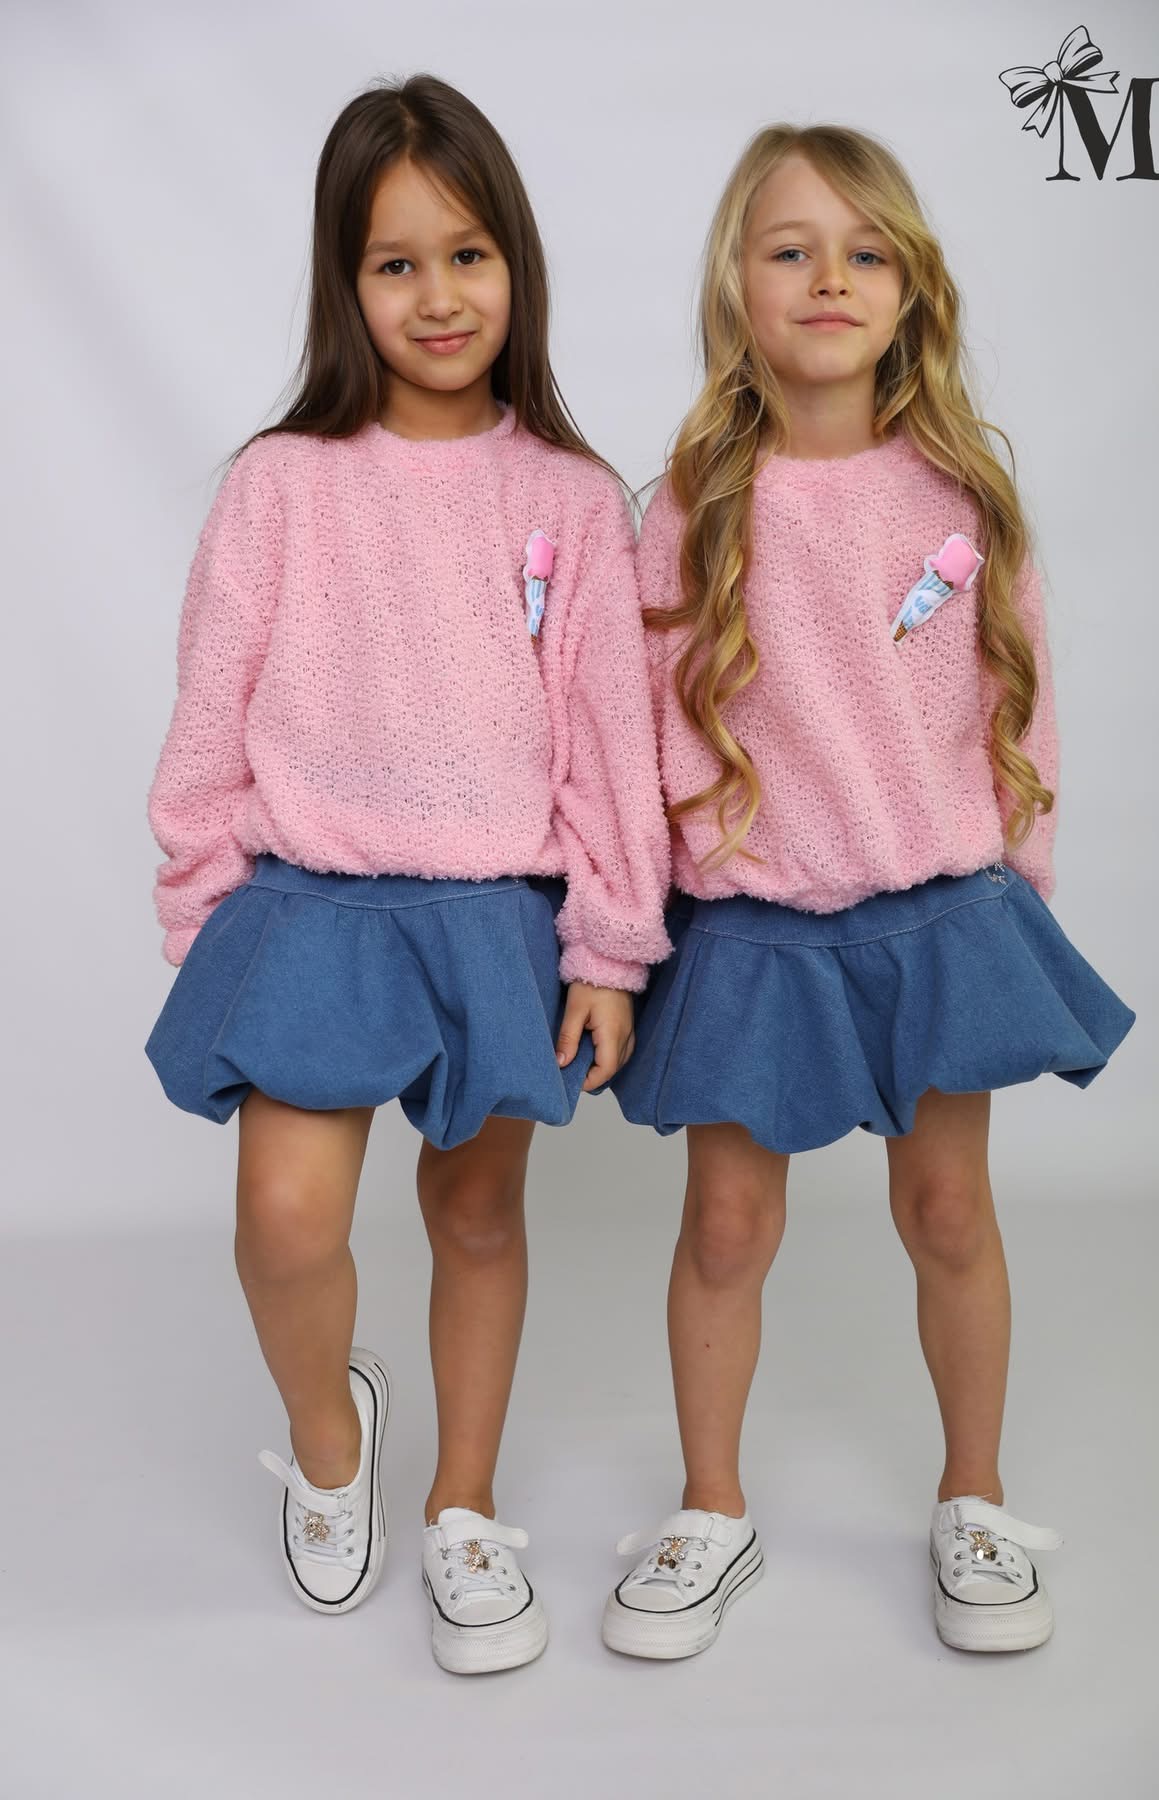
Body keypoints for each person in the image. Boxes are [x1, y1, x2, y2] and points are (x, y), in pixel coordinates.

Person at [144, 75, 670, 1675]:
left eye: (466, 255)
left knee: (477, 1212)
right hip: (313, 904)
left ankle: (464, 1507)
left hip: (492, 912)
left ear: (515, 264)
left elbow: (610, 740)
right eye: (394, 264)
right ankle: (332, 1442)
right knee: (286, 1218)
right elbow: (210, 706)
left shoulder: (570, 498)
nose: (437, 296)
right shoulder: (280, 483)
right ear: (343, 282)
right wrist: (203, 901)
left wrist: (608, 945)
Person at [605, 123, 1134, 1661]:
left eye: (863, 251)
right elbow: (638, 734)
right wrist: (627, 936)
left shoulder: (958, 497)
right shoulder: (687, 505)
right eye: (790, 249)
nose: (827, 277)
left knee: (948, 1208)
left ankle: (973, 1498)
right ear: (737, 286)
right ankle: (711, 1510)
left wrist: (1017, 895)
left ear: (909, 291)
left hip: (935, 908)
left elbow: (1016, 703)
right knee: (724, 1225)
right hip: (754, 922)